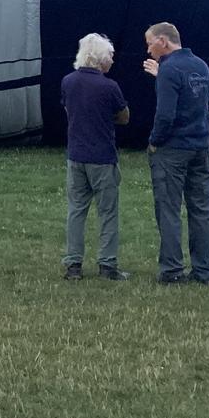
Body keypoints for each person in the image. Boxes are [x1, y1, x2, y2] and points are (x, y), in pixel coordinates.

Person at [143, 21, 209, 285]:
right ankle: (204, 270)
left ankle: (172, 269)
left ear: (163, 41)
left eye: (150, 42)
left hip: (173, 148)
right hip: (200, 145)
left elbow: (165, 114)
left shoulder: (169, 69)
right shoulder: (200, 65)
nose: (148, 49)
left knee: (169, 209)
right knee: (202, 209)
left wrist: (154, 141)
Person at [60, 32, 132, 281]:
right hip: (102, 157)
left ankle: (73, 265)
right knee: (108, 212)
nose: (112, 60)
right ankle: (107, 264)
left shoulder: (68, 81)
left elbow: (69, 109)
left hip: (76, 155)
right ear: (101, 58)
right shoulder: (109, 86)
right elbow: (124, 117)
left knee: (76, 211)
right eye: (110, 55)